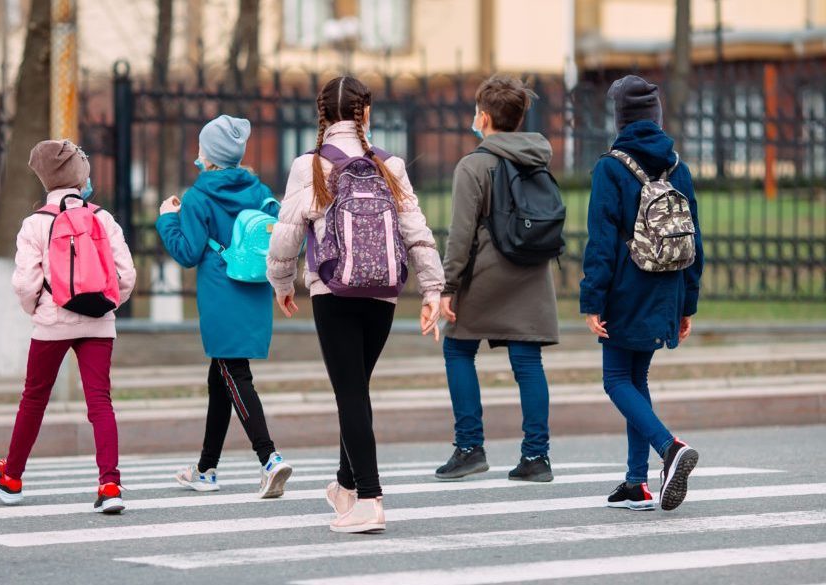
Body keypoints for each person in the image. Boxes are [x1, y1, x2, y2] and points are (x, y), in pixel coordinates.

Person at [267, 76, 444, 533]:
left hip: (334, 290)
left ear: (321, 115)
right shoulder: (391, 165)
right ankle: (346, 485)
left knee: (350, 393)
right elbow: (415, 229)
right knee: (356, 390)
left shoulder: (309, 166)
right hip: (383, 293)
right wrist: (431, 290)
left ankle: (369, 497)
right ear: (366, 114)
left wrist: (281, 282)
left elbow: (286, 233)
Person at [0, 139, 137, 514]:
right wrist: (108, 305)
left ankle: (12, 476)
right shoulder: (103, 217)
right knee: (100, 401)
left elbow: (24, 282)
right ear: (80, 176)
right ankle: (110, 484)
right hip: (98, 322)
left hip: (52, 322)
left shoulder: (35, 223)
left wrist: (38, 307)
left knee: (33, 399)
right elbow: (126, 274)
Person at [580, 75, 704, 511]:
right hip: (667, 289)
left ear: (620, 120)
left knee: (615, 380)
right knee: (637, 379)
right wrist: (687, 303)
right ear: (656, 117)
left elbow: (600, 242)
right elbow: (695, 242)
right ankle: (636, 484)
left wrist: (593, 299)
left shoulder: (610, 167)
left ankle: (669, 448)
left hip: (625, 292)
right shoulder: (677, 167)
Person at [157, 115, 293, 499]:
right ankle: (205, 468)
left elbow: (186, 253)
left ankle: (269, 458)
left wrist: (167, 219)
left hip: (220, 293)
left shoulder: (198, 197)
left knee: (234, 373)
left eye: (202, 146)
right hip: (253, 290)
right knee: (220, 379)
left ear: (209, 155)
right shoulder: (258, 189)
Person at [435, 75, 560, 484]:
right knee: (528, 362)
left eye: (476, 113)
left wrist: (447, 287)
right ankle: (536, 456)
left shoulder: (474, 165)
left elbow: (461, 235)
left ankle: (470, 447)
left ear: (484, 118)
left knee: (457, 349)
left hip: (488, 275)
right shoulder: (538, 157)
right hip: (532, 275)